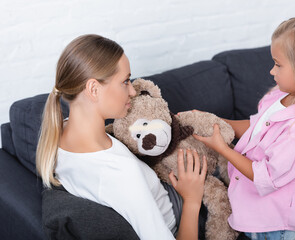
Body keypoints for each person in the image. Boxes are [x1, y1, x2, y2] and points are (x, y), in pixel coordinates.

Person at [36, 34, 207, 240]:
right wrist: (192, 200)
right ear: (93, 89)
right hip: (180, 218)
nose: (133, 92)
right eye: (125, 81)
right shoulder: (121, 173)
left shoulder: (59, 133)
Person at [192, 13, 295, 240]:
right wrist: (217, 122)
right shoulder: (279, 96)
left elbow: (265, 176)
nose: (272, 71)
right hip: (256, 214)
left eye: (278, 64)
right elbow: (255, 129)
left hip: (277, 227)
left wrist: (223, 149)